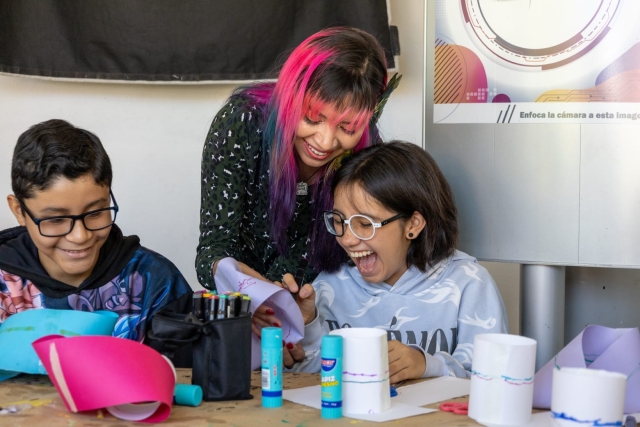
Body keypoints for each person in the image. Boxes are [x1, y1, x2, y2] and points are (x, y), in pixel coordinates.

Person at [195, 26, 399, 295]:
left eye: (347, 129)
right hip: (242, 305)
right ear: (291, 95)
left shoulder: (366, 150)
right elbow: (212, 252)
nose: (325, 142)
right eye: (313, 118)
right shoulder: (241, 123)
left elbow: (359, 251)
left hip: (320, 307)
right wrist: (257, 294)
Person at [290, 141, 508, 382]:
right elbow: (305, 379)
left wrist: (427, 364)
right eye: (340, 221)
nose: (348, 239)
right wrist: (307, 324)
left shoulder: (469, 283)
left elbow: (496, 379)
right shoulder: (330, 286)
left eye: (365, 224)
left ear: (413, 224)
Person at [0, 119, 193, 343]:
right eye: (56, 219)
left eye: (95, 213)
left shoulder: (157, 282)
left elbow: (183, 372)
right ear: (19, 211)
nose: (80, 236)